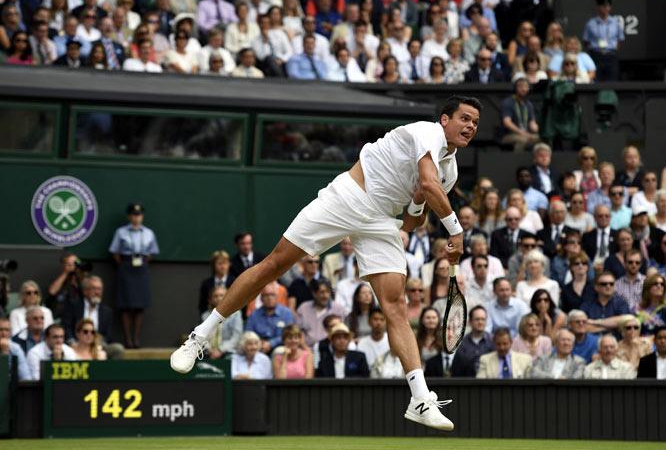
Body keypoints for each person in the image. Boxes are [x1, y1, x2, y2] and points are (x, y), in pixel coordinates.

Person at [172, 96, 483, 431]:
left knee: (395, 304)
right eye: (464, 118)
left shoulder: (448, 171)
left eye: (475, 123)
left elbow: (411, 222)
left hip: (381, 221)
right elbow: (427, 181)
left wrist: (418, 204)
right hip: (349, 196)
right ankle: (199, 337)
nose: (470, 127)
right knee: (275, 265)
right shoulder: (426, 132)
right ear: (444, 120)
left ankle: (420, 399)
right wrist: (455, 230)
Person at [109, 203, 159, 348]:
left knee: (139, 306)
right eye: (134, 215)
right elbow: (115, 252)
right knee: (125, 305)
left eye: (139, 215)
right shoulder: (121, 232)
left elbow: (153, 252)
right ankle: (127, 340)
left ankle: (136, 338)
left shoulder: (149, 233)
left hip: (141, 267)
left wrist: (142, 262)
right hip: (126, 266)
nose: (136, 218)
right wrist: (125, 264)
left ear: (142, 216)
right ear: (129, 216)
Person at [62, 275, 114, 346]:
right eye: (94, 288)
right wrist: (72, 342)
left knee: (117, 349)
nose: (97, 292)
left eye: (100, 289)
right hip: (76, 345)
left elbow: (108, 335)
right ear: (85, 291)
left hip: (98, 346)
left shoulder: (107, 311)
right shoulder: (73, 306)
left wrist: (98, 345)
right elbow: (67, 327)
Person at [582, 0, 624, 82]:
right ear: (598, 7)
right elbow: (586, 41)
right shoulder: (591, 23)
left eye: (608, 6)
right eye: (603, 6)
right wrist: (594, 49)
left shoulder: (615, 23)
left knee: (612, 82)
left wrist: (612, 49)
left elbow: (620, 40)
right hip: (596, 55)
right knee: (596, 82)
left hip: (611, 55)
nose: (606, 8)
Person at [245, 282, 295, 354]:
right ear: (261, 299)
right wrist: (259, 343)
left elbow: (290, 334)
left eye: (272, 295)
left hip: (280, 348)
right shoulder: (254, 315)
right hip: (258, 348)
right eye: (266, 295)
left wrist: (271, 343)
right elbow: (248, 333)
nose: (269, 298)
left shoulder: (286, 313)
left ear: (277, 297)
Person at [298, 278, 347, 345]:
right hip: (307, 349)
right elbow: (298, 331)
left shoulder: (339, 310)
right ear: (314, 293)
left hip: (330, 349)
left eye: (328, 292)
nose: (325, 296)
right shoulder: (303, 308)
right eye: (322, 292)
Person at [449, 306, 494, 377]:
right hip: (467, 383)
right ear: (470, 322)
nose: (480, 322)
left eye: (483, 319)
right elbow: (456, 370)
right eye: (477, 319)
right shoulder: (462, 343)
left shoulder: (493, 341)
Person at [202, 286, 243, 359]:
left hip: (228, 351)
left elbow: (236, 337)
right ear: (210, 300)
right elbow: (202, 336)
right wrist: (210, 350)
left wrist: (220, 350)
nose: (219, 298)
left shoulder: (236, 314)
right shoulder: (205, 316)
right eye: (215, 296)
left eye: (222, 295)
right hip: (209, 351)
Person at [0, 317, 30, 381]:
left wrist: (5, 352)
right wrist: (4, 353)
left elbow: (25, 377)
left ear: (11, 333)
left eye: (7, 330)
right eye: (0, 330)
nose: (3, 333)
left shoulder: (15, 348)